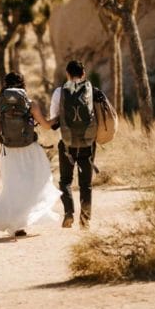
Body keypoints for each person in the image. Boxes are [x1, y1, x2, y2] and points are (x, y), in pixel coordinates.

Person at [0, 71, 59, 237]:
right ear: (23, 85)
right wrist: (58, 118)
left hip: (9, 152)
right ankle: (25, 219)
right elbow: (45, 125)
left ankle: (17, 226)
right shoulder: (31, 104)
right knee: (36, 184)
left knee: (13, 187)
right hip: (30, 149)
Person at [49, 60, 109, 229]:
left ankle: (69, 213)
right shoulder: (93, 91)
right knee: (86, 183)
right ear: (83, 74)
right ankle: (85, 219)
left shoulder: (59, 92)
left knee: (65, 181)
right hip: (88, 144)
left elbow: (54, 119)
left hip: (67, 143)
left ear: (67, 74)